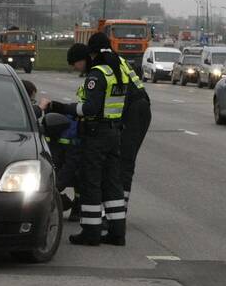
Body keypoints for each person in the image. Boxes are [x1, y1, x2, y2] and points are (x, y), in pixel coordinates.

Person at [40, 42, 126, 246]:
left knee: (91, 181)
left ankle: (91, 231)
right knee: (112, 183)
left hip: (96, 134)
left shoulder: (96, 75)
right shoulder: (115, 71)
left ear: (84, 58)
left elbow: (89, 108)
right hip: (113, 132)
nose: (75, 68)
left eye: (75, 63)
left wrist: (61, 107)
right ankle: (117, 232)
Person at [85, 33, 151, 211]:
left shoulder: (107, 63)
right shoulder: (117, 59)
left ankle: (119, 211)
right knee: (120, 160)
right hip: (139, 108)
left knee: (124, 161)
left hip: (135, 111)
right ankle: (116, 209)